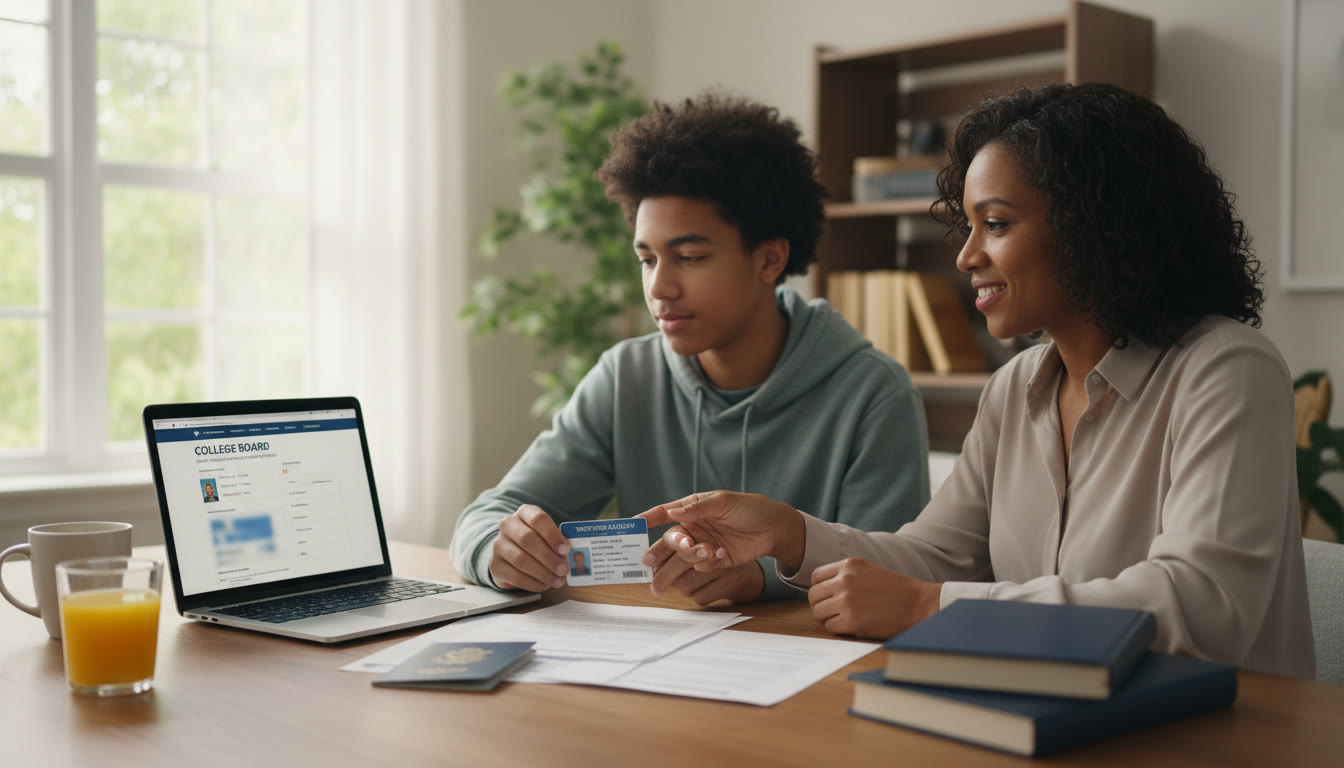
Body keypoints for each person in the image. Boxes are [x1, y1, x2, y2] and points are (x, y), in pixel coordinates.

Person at [640, 83, 1315, 678]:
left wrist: (932, 609)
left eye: (995, 224)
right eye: (967, 226)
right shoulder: (1015, 387)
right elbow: (936, 556)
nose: (966, 256)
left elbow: (1202, 607)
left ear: (1097, 228)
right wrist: (786, 533)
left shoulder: (1225, 369)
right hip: (1053, 719)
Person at [451, 92, 930, 606]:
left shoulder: (873, 394)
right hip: (654, 666)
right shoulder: (625, 377)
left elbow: (891, 571)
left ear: (769, 259)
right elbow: (487, 516)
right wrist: (497, 549)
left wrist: (760, 579)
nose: (660, 287)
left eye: (690, 256)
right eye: (647, 259)